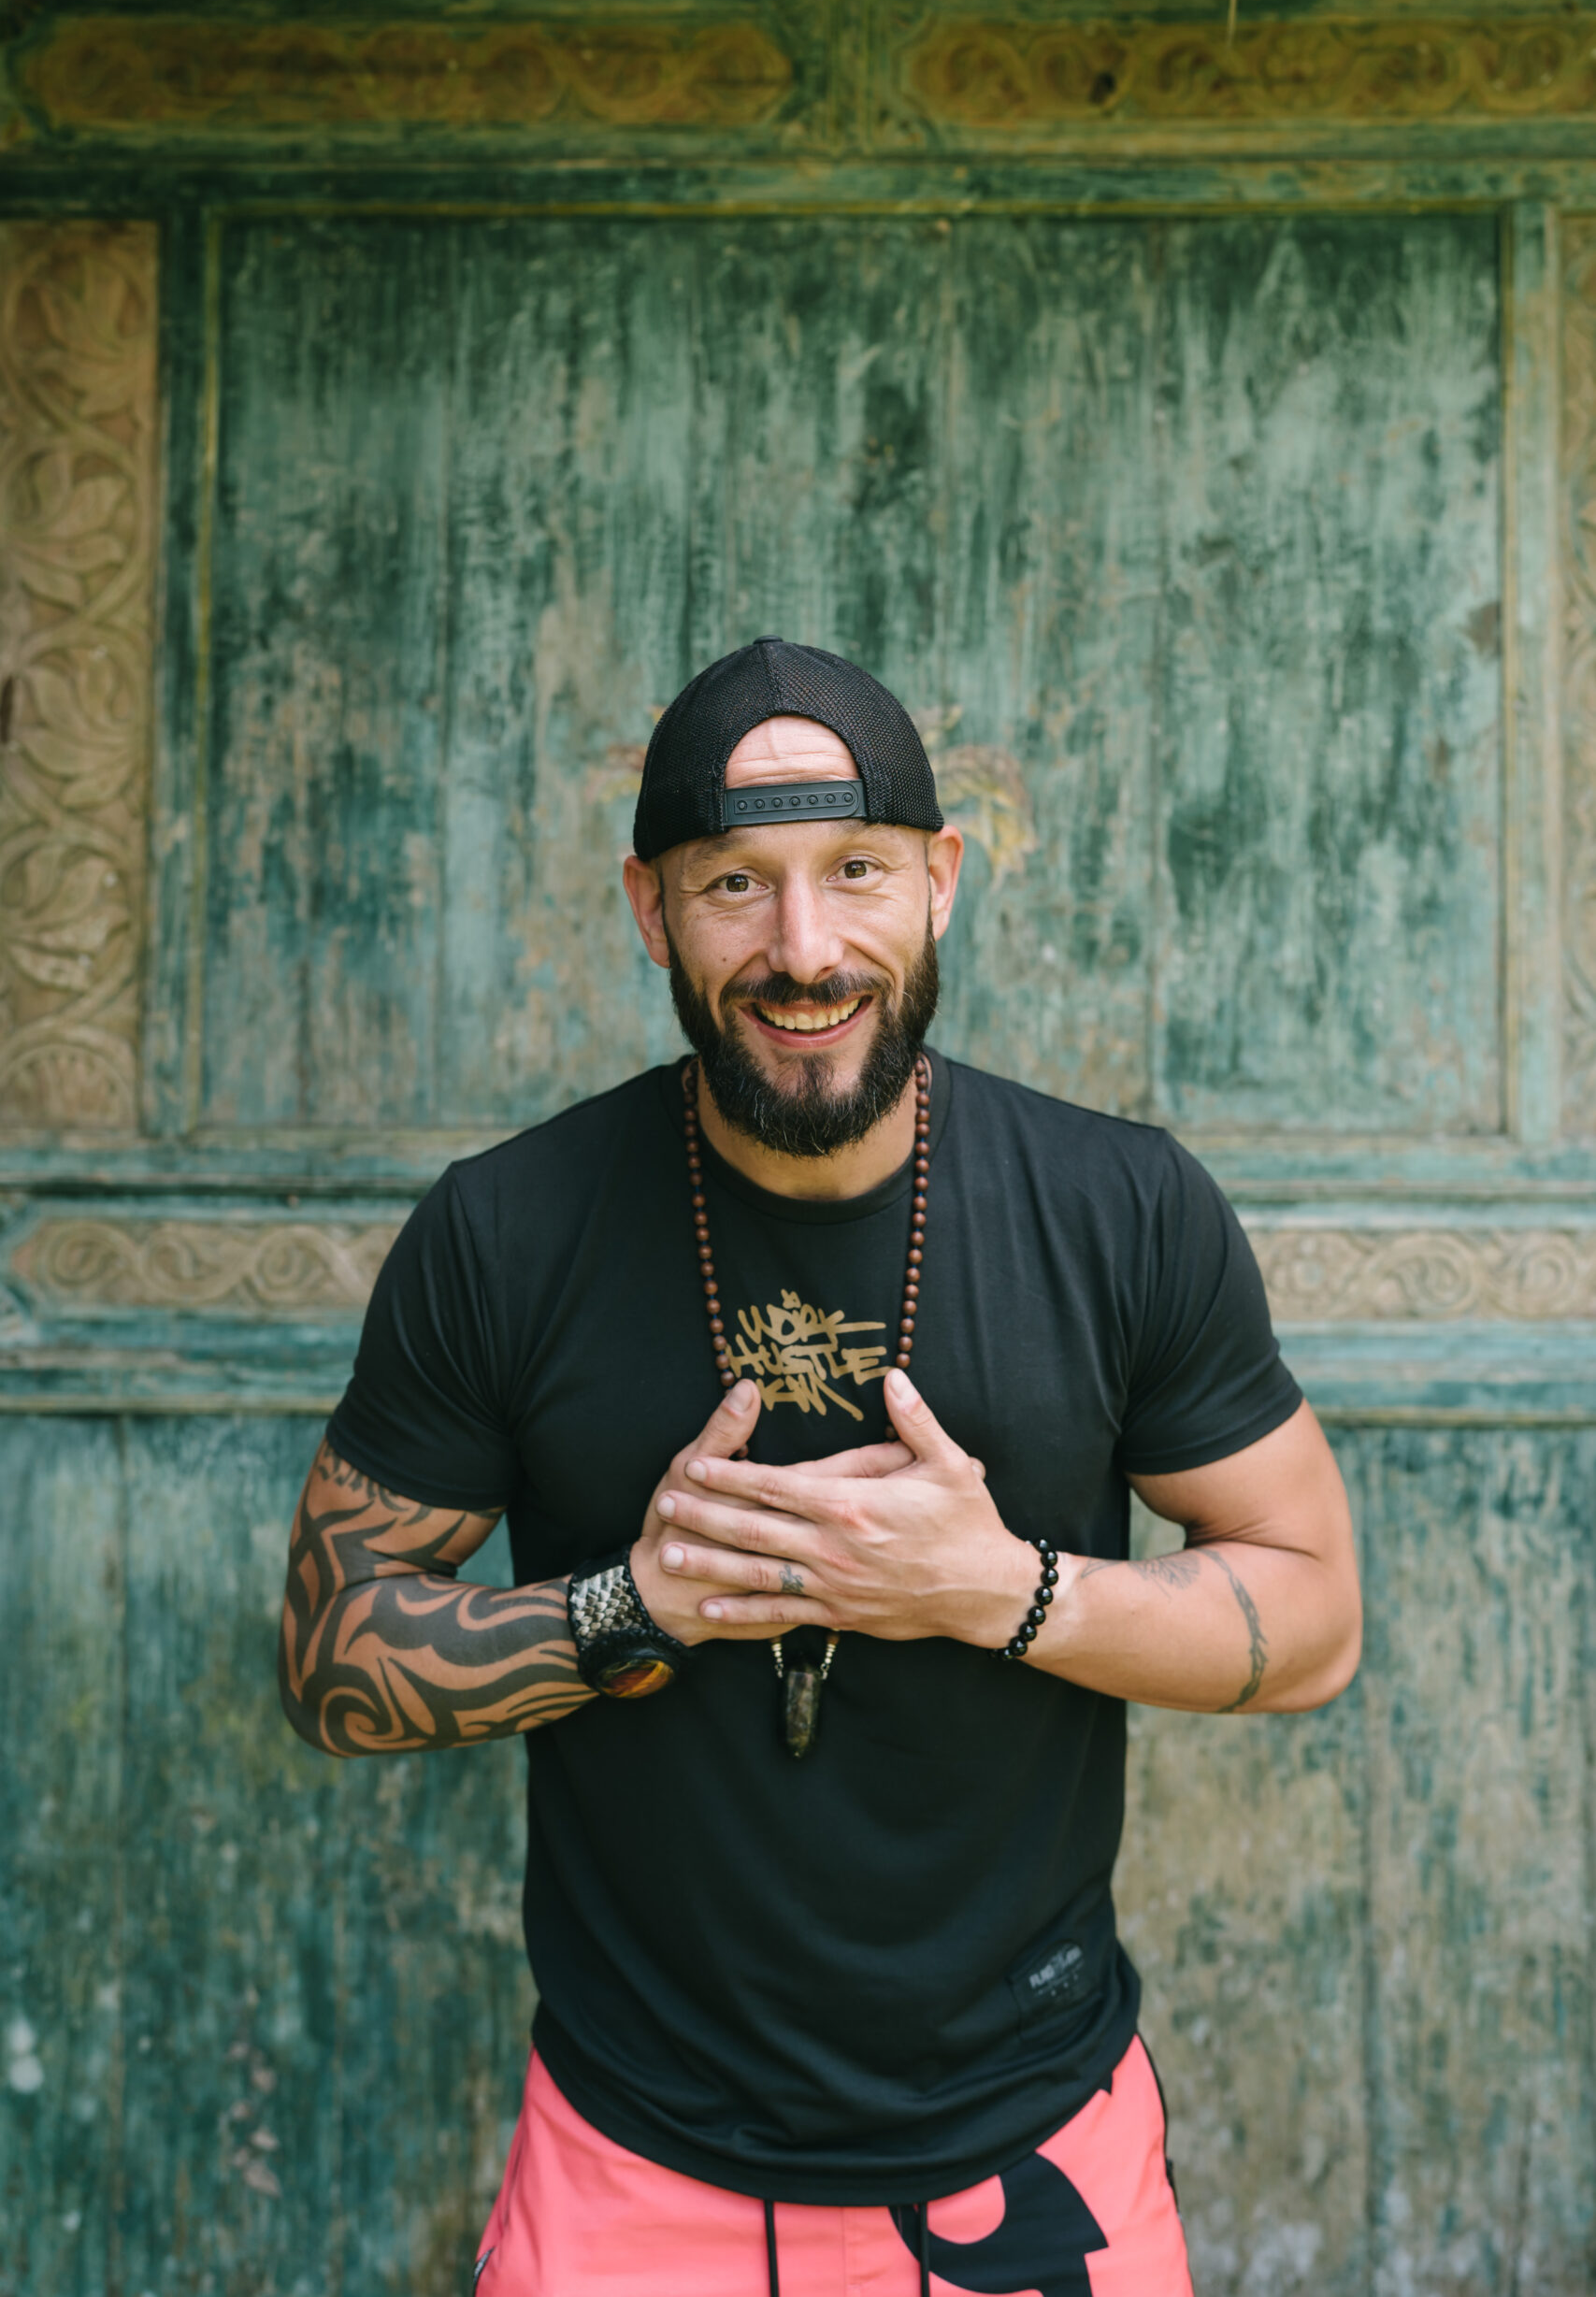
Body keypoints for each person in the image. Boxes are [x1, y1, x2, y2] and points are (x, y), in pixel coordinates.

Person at [279, 639, 1361, 2297]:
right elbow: (329, 1653)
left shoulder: (1126, 1211)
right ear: (651, 909)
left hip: (1036, 2156)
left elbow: (1318, 1618)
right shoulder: (505, 1232)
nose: (803, 949)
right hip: (634, 2165)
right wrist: (630, 1609)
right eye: (737, 883)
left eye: (856, 870)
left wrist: (1001, 1592)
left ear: (941, 882)